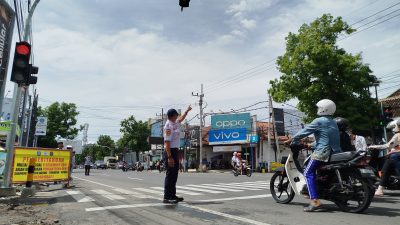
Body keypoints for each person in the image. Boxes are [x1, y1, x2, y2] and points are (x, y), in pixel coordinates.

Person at [290, 99, 341, 212]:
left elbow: (305, 131)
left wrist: (293, 139)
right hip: (335, 152)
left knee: (308, 172)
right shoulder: (332, 122)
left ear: (324, 109)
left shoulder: (319, 121)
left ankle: (314, 201)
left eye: (319, 107)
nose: (317, 109)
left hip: (323, 152)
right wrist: (311, 145)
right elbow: (325, 138)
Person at [163, 106, 192, 204]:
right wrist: (169, 157)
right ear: (173, 115)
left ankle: (172, 195)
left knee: (174, 175)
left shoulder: (174, 123)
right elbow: (167, 142)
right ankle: (167, 197)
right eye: (176, 115)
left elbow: (181, 119)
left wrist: (187, 111)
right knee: (170, 175)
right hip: (169, 151)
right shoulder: (168, 126)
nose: (177, 116)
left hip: (175, 151)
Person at [369, 122, 400, 196]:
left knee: (388, 163)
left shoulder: (398, 135)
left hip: (396, 156)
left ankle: (380, 188)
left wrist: (374, 146)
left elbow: (387, 146)